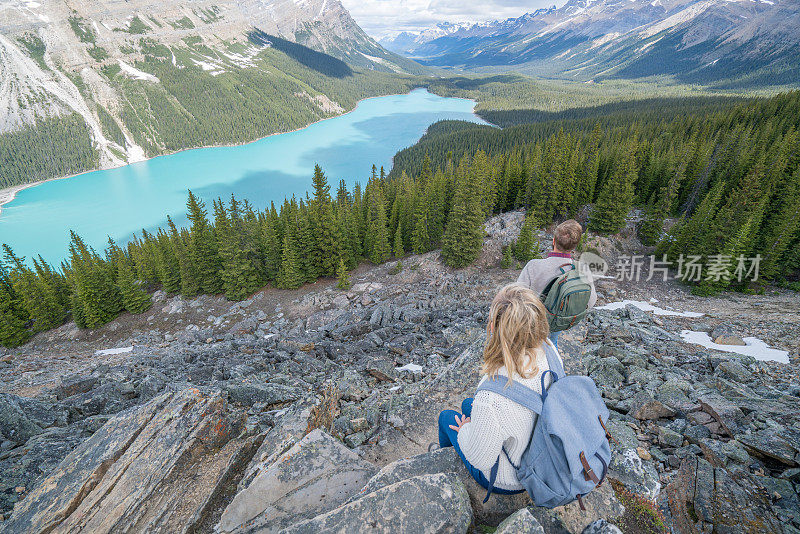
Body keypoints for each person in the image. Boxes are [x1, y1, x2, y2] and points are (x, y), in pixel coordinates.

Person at [435, 284, 563, 496]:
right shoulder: (549, 349)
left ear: (494, 327)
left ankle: (445, 463)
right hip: (541, 453)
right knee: (468, 405)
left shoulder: (491, 395)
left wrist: (465, 430)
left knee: (446, 417)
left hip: (511, 480)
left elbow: (480, 459)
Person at [516, 219, 596, 348]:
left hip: (533, 324)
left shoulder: (533, 266)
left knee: (529, 351)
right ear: (574, 246)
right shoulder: (582, 269)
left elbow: (517, 298)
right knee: (551, 345)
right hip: (557, 322)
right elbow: (591, 302)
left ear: (553, 241)